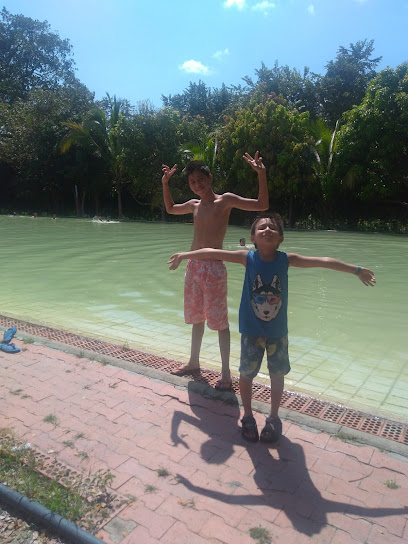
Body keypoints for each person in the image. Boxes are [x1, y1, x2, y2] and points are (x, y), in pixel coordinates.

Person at [168, 212, 376, 443]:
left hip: (277, 334)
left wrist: (356, 270)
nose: (267, 230)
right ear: (253, 238)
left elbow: (323, 261)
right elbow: (213, 252)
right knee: (246, 375)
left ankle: (274, 417)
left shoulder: (286, 260)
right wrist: (185, 255)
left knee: (277, 375)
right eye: (261, 228)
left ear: (281, 238)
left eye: (272, 228)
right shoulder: (247, 258)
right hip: (250, 332)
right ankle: (247, 415)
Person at [161, 152, 269, 390]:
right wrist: (165, 184)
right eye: (192, 182)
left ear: (209, 178)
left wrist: (261, 174)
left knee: (220, 322)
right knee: (196, 318)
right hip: (193, 267)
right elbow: (169, 208)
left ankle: (225, 374)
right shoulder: (193, 205)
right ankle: (193, 362)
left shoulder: (226, 201)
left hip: (214, 269)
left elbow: (262, 205)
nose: (197, 185)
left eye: (200, 179)